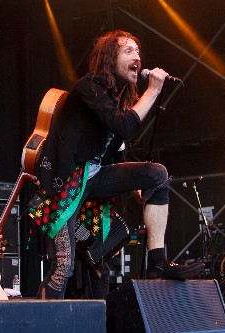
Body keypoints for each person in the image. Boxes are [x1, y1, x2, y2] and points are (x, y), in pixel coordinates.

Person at [30, 30, 204, 299]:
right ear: (110, 60)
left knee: (156, 175)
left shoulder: (117, 97)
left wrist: (130, 183)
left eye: (138, 51)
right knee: (63, 266)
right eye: (128, 51)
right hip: (66, 183)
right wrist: (154, 90)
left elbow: (117, 143)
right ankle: (44, 322)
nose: (137, 56)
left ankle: (157, 261)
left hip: (95, 177)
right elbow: (123, 125)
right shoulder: (88, 87)